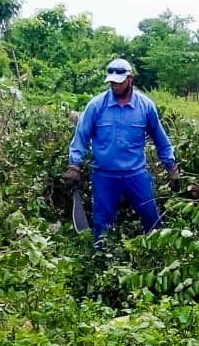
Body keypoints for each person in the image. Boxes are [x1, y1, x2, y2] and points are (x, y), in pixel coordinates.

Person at [63, 58, 181, 243]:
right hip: (104, 176)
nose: (114, 86)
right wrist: (74, 165)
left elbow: (160, 139)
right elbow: (81, 136)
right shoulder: (96, 106)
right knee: (102, 223)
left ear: (130, 79)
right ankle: (101, 256)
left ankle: (157, 250)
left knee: (151, 217)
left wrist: (171, 168)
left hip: (136, 174)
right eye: (111, 82)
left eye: (119, 82)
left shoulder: (145, 106)